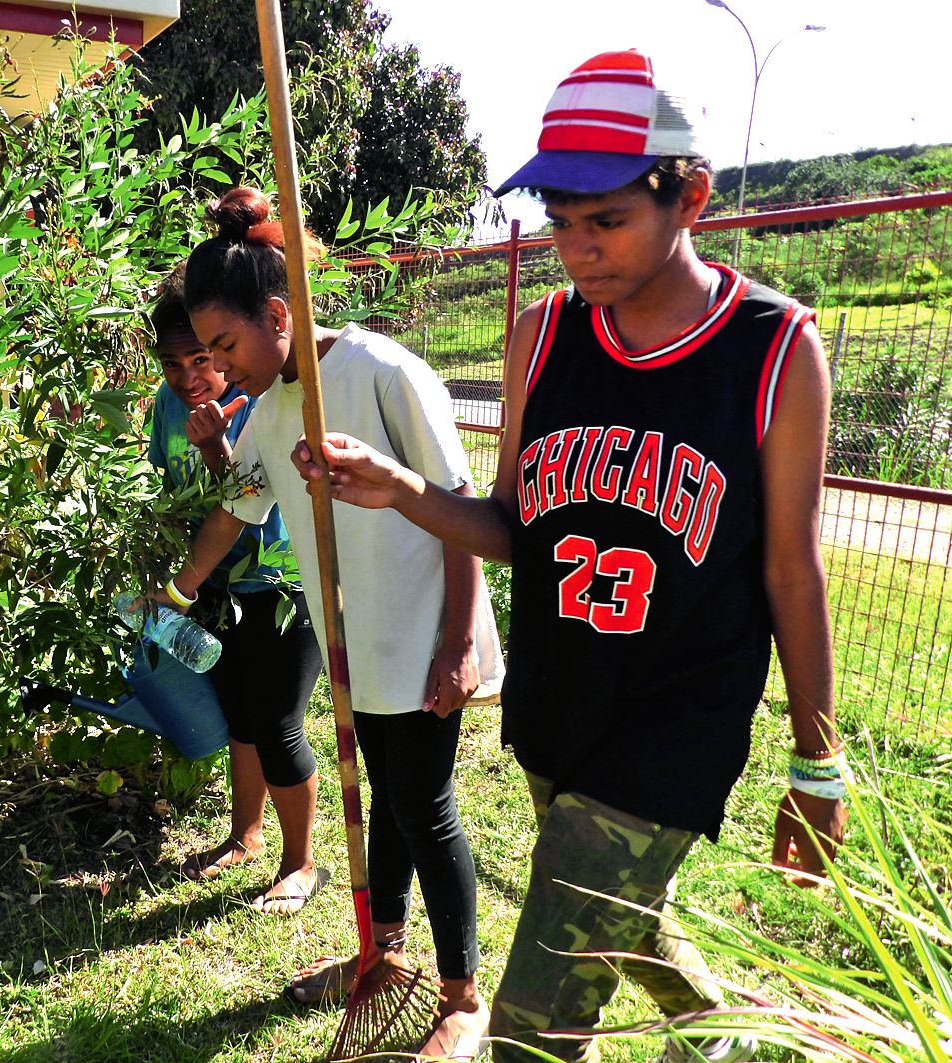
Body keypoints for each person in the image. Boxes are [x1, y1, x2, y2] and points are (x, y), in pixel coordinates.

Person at [292, 50, 848, 1063]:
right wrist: (404, 489)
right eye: (559, 221)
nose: (577, 248)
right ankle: (731, 1043)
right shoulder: (542, 334)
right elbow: (516, 526)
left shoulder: (772, 352)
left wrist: (820, 765)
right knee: (621, 923)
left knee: (533, 1028)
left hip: (674, 722)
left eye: (606, 220)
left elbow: (790, 572)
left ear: (688, 196)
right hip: (560, 708)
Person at [152, 187, 505, 1062]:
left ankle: (462, 995)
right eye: (206, 352)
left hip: (425, 636)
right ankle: (380, 955)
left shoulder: (382, 372)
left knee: (421, 804)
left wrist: (459, 642)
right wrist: (179, 588)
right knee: (384, 797)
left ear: (279, 313)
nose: (220, 367)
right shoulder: (272, 412)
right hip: (358, 644)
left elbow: (459, 507)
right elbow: (236, 508)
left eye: (226, 345)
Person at [146, 263, 327, 915]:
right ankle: (245, 835)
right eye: (173, 362)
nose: (190, 375)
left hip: (280, 581)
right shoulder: (167, 407)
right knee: (241, 717)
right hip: (212, 585)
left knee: (278, 723)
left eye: (202, 356)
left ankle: (301, 861)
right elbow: (166, 490)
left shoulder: (255, 396)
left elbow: (250, 501)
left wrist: (220, 450)